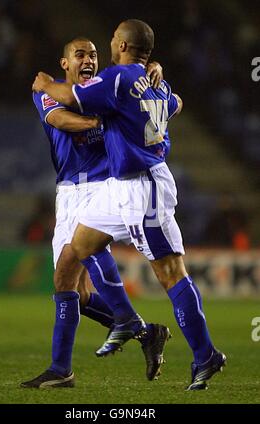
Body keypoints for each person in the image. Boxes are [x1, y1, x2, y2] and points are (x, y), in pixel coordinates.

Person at [33, 19, 226, 391]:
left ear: (119, 44)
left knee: (171, 273)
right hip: (120, 188)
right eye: (81, 54)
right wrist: (153, 79)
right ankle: (128, 323)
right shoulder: (154, 82)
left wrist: (44, 84)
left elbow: (71, 99)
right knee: (82, 243)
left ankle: (205, 355)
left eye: (99, 48)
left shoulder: (117, 80)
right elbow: (176, 102)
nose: (93, 56)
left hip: (143, 186)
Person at [22, 37, 168, 389]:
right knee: (72, 289)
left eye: (93, 55)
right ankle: (145, 332)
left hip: (103, 187)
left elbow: (160, 99)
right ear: (65, 63)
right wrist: (105, 124)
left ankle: (61, 368)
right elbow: (60, 120)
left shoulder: (107, 89)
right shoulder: (50, 93)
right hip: (68, 192)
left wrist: (157, 72)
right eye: (80, 55)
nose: (88, 60)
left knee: (84, 255)